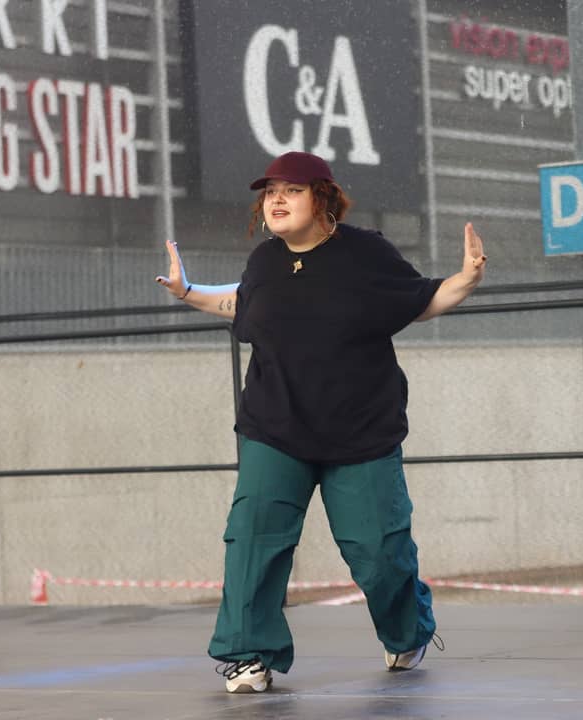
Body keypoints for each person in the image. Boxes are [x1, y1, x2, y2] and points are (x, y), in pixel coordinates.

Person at [155, 151, 486, 693]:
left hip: (360, 432)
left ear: (323, 198)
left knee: (379, 553)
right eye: (270, 192)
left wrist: (466, 279)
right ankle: (248, 653)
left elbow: (420, 298)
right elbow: (244, 303)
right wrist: (188, 292)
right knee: (253, 540)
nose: (276, 200)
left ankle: (407, 632)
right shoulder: (264, 262)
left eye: (292, 190)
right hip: (274, 428)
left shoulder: (365, 253)